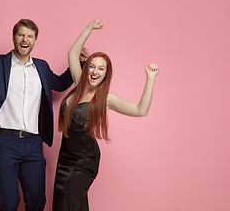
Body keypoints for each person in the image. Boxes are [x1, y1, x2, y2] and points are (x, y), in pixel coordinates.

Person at [0, 19, 78, 211]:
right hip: (4, 143)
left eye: (30, 36)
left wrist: (81, 62)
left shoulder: (42, 67)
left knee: (37, 202)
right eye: (21, 34)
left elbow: (60, 84)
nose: (25, 39)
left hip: (34, 144)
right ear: (14, 38)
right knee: (9, 203)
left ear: (35, 41)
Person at [52, 20, 159, 211]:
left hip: (85, 161)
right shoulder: (78, 83)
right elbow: (72, 53)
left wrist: (150, 79)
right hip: (64, 158)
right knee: (64, 203)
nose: (95, 71)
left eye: (101, 69)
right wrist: (89, 28)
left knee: (71, 198)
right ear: (86, 68)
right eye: (92, 66)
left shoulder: (106, 99)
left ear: (106, 74)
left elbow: (140, 110)